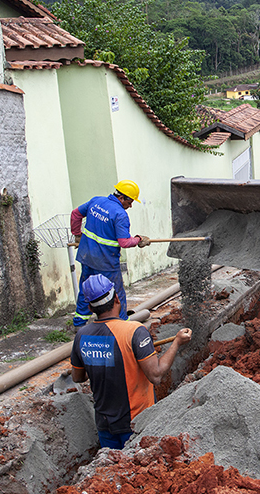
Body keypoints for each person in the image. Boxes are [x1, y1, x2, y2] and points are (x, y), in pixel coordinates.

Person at [69, 274, 192, 449]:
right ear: (117, 298)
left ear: (89, 307)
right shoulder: (134, 331)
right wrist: (177, 342)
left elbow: (78, 377)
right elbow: (156, 375)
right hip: (137, 424)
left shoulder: (81, 336)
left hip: (105, 425)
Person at [71, 180, 150, 329]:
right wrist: (139, 240)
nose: (131, 205)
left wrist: (77, 234)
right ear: (122, 198)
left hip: (86, 256)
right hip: (105, 261)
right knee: (117, 294)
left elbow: (75, 214)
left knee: (86, 288)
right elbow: (124, 242)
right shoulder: (120, 214)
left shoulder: (96, 201)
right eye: (130, 201)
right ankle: (122, 326)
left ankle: (79, 324)